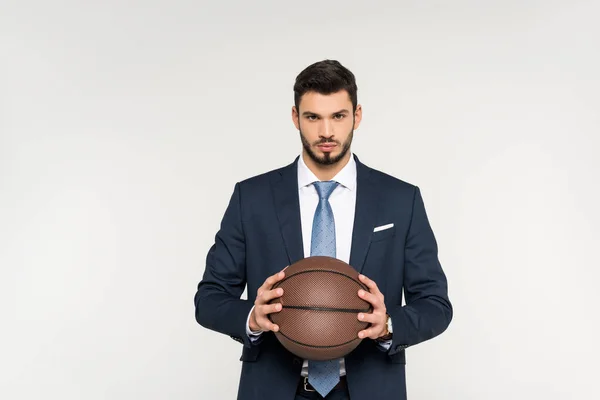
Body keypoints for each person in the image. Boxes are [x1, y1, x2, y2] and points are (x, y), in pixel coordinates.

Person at [194, 59, 452, 400]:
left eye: (338, 116)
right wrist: (252, 318)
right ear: (295, 117)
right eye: (313, 117)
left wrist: (389, 325)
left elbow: (436, 304)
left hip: (369, 388)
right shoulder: (252, 198)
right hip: (274, 389)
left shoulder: (400, 200)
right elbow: (209, 299)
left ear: (357, 116)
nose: (326, 132)